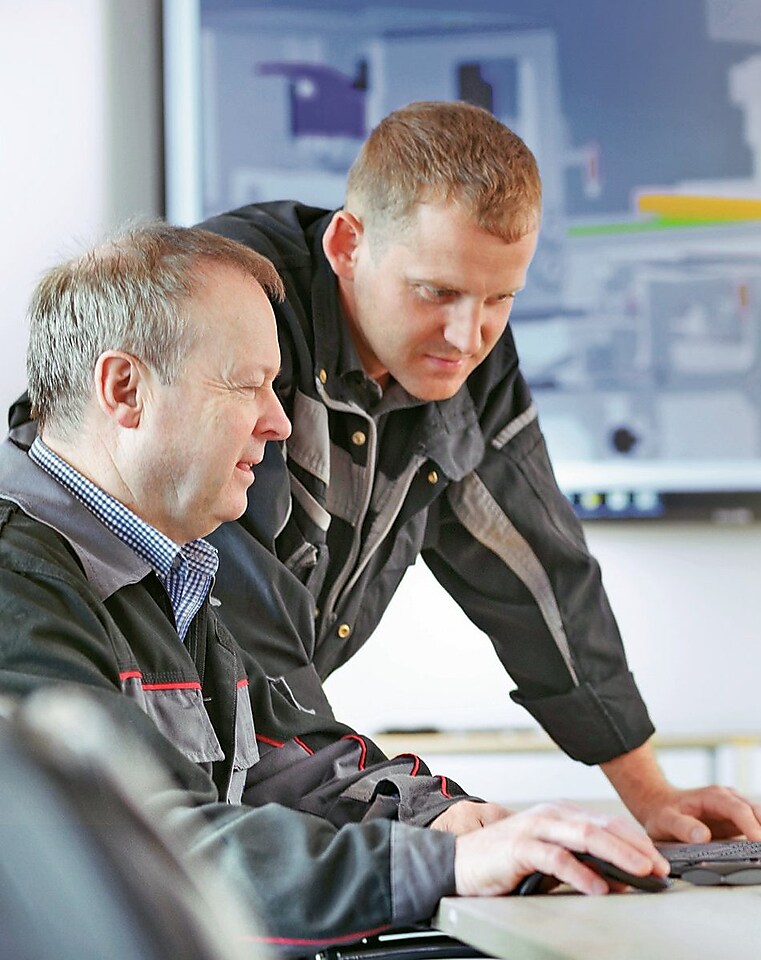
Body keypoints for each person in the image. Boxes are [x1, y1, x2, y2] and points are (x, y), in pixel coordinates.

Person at [0, 223, 667, 948]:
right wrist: (440, 863)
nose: (278, 421)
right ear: (125, 389)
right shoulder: (20, 584)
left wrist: (439, 819)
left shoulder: (164, 571)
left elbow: (279, 759)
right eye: (248, 384)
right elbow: (154, 852)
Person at [184, 99, 761, 845]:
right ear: (348, 244)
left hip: (260, 761)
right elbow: (232, 620)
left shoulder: (457, 358)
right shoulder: (231, 311)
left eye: (500, 298)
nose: (467, 336)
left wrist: (653, 797)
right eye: (435, 292)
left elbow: (539, 570)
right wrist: (439, 822)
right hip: (136, 753)